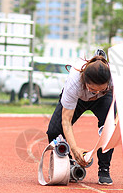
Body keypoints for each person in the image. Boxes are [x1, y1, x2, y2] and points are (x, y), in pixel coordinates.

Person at [46, 48, 114, 185]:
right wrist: (74, 148)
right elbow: (66, 121)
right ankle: (69, 163)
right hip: (78, 99)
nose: (96, 93)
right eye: (93, 89)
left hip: (103, 100)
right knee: (54, 130)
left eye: (101, 89)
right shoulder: (74, 82)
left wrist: (111, 124)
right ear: (85, 81)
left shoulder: (115, 78)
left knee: (109, 129)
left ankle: (104, 169)